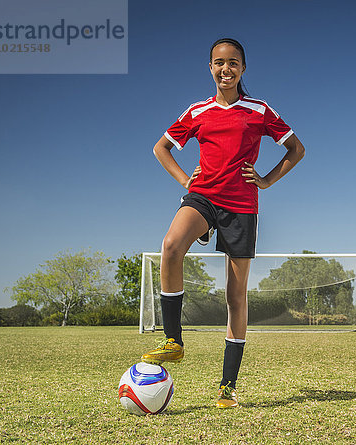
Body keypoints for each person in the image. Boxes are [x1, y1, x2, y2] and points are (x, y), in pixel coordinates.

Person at [141, 38, 305, 408]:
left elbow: (297, 149)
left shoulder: (259, 110)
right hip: (203, 197)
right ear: (210, 68)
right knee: (170, 245)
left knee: (235, 296)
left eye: (233, 63)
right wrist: (186, 180)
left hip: (241, 206)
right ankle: (173, 340)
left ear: (243, 69)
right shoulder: (197, 112)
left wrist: (265, 179)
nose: (225, 69)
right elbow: (161, 148)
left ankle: (227, 386)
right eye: (219, 62)